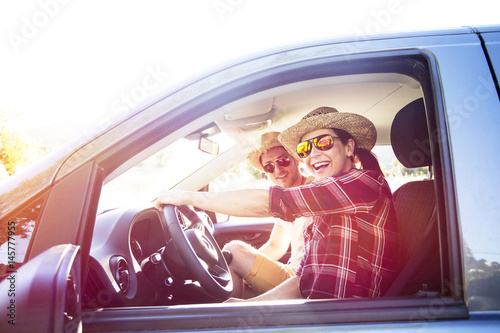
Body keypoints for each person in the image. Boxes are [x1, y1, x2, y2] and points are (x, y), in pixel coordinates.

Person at [156, 106, 400, 301]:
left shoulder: (362, 183)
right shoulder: (329, 207)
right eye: (305, 148)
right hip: (318, 309)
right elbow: (305, 279)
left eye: (323, 143)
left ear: (348, 147)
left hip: (344, 319)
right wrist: (247, 309)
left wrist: (186, 196)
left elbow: (270, 202)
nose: (313, 154)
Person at [224, 131, 314, 298]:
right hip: (290, 273)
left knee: (233, 250)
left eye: (283, 161)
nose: (278, 170)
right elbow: (276, 246)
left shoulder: (313, 187)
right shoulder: (282, 198)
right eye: (269, 166)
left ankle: (231, 320)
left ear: (295, 159)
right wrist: (246, 269)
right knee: (232, 259)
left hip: (304, 282)